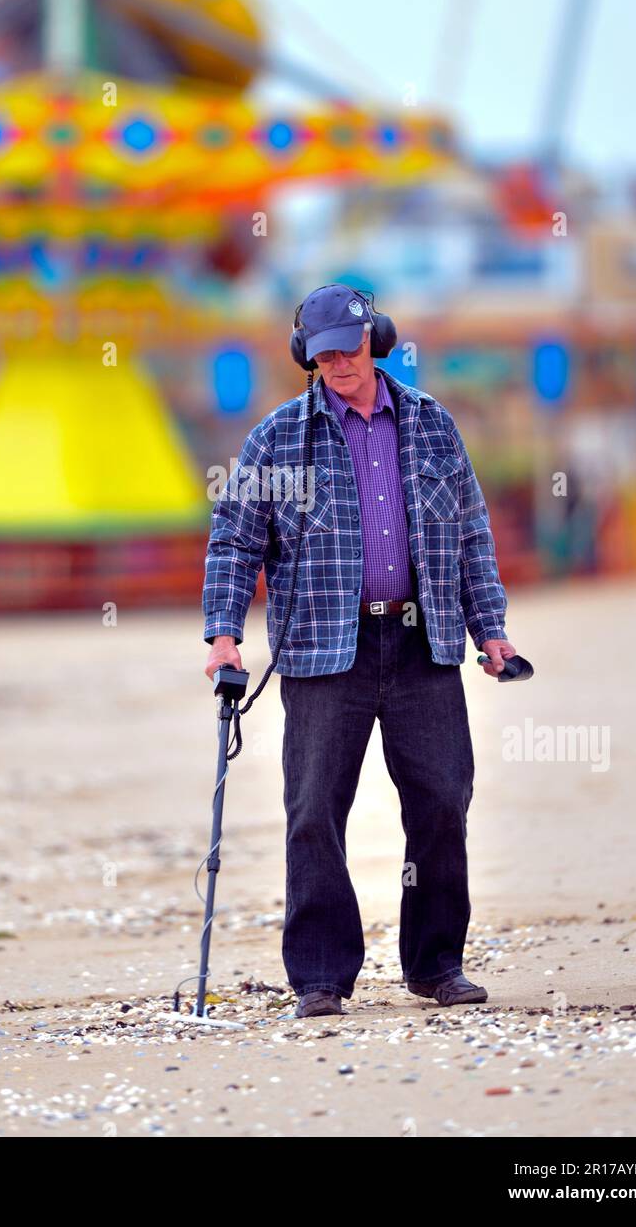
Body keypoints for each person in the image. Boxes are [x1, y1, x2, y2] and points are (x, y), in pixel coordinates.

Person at [202, 284, 519, 1016]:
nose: (338, 365)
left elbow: (470, 535)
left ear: (377, 339)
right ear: (304, 358)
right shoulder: (278, 439)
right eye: (322, 357)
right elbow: (234, 542)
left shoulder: (435, 426)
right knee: (314, 812)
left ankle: (437, 964)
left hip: (423, 642)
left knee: (442, 802)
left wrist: (490, 629)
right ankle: (319, 978)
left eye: (349, 349)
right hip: (321, 651)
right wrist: (224, 637)